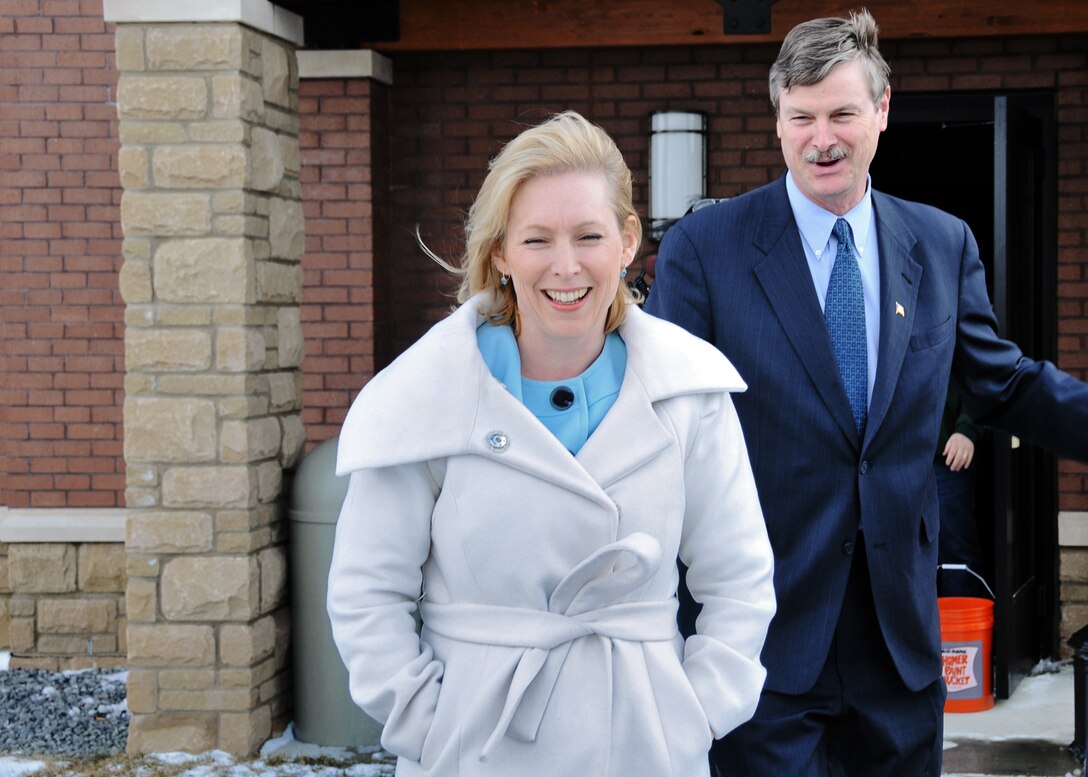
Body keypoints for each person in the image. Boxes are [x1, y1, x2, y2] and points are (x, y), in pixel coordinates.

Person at [645, 9, 1088, 776]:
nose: (824, 138)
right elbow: (653, 418)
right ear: (778, 120)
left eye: (843, 113)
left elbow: (1003, 382)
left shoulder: (942, 243)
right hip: (760, 639)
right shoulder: (705, 250)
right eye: (802, 116)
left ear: (881, 111)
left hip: (899, 646)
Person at [327, 111, 776, 777]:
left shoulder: (689, 391)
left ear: (626, 241)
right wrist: (426, 721)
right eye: (537, 239)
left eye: (588, 235)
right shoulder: (426, 397)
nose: (566, 266)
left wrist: (696, 711)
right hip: (478, 747)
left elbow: (739, 575)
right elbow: (367, 590)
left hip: (643, 746)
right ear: (501, 251)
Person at [935, 380, 990, 599]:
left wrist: (968, 429)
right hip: (894, 454)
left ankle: (960, 630)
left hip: (947, 454)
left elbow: (982, 377)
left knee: (955, 552)